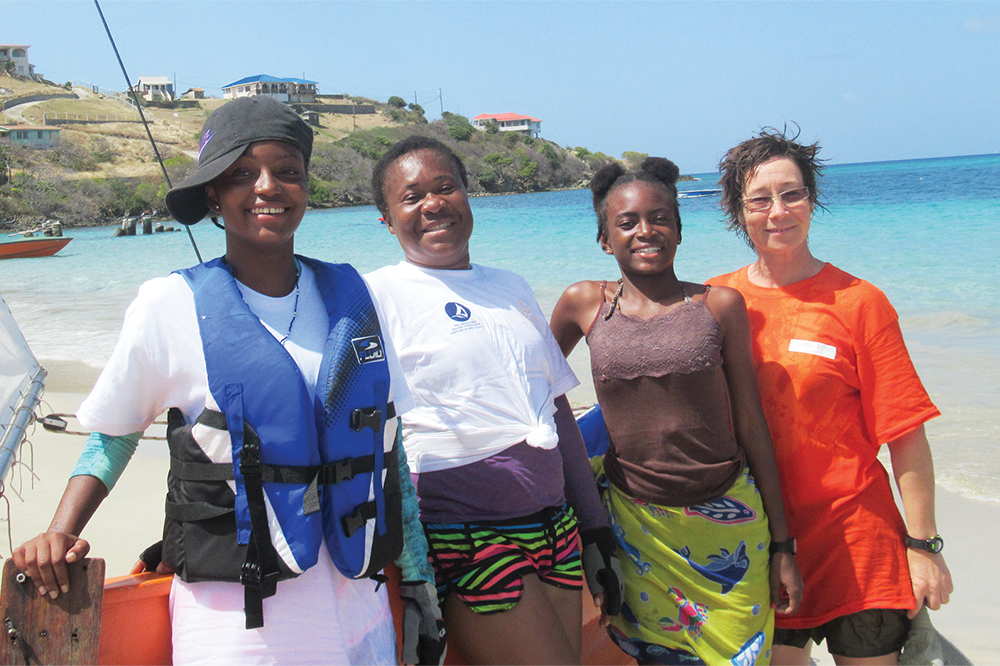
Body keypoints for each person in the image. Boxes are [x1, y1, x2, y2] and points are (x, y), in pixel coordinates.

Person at [12, 96, 444, 666]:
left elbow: (387, 451)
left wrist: (417, 582)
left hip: (356, 605)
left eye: (287, 172)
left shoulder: (354, 301)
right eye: (242, 174)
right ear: (213, 193)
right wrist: (60, 530)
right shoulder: (168, 305)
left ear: (306, 187)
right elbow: (114, 433)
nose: (268, 187)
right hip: (240, 621)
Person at [364, 135, 623, 665]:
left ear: (466, 195)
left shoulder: (511, 286)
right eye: (411, 197)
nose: (433, 203)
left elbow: (555, 411)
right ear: (387, 220)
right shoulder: (374, 297)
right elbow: (349, 421)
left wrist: (594, 529)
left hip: (554, 526)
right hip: (465, 532)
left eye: (445, 187)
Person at [708, 127, 953, 665]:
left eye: (791, 193)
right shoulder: (714, 304)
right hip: (761, 543)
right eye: (759, 199)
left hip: (857, 542)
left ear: (812, 201)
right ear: (737, 211)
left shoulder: (860, 303)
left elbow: (905, 434)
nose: (778, 211)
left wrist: (923, 546)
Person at [549, 157, 802, 665]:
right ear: (605, 239)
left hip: (727, 519)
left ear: (680, 232)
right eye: (628, 222)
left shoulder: (719, 306)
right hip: (636, 525)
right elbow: (535, 386)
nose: (646, 231)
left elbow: (751, 423)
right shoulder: (585, 303)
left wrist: (783, 546)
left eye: (660, 218)